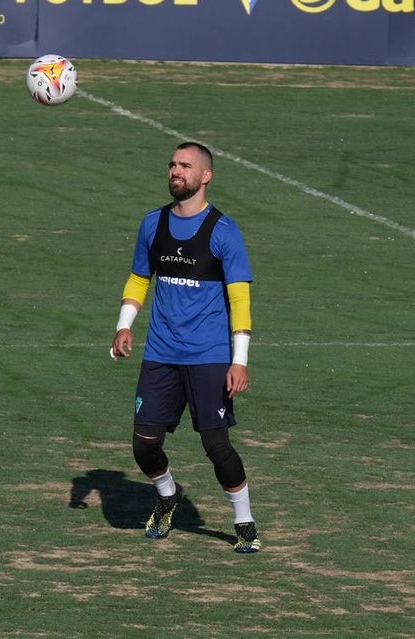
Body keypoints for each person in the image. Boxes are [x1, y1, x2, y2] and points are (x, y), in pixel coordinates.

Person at [110, 141, 261, 554]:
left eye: (186, 166)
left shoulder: (224, 231)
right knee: (144, 444)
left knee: (216, 446)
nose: (176, 171)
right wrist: (125, 325)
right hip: (160, 354)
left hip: (209, 358)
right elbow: (140, 278)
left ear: (205, 176)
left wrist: (239, 361)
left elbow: (240, 300)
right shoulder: (152, 224)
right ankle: (167, 495)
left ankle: (244, 521)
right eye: (173, 165)